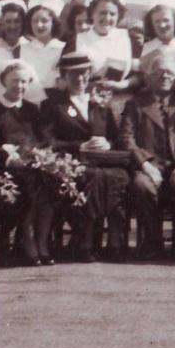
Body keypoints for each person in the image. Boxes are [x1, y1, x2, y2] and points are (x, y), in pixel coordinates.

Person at [39, 51, 130, 262]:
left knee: (120, 176)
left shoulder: (100, 103)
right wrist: (80, 146)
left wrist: (107, 143)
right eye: (74, 75)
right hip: (73, 163)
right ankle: (86, 240)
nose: (80, 79)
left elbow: (117, 138)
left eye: (84, 73)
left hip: (103, 161)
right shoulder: (53, 105)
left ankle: (113, 241)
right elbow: (47, 141)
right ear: (63, 77)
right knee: (94, 178)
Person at [119, 56, 175, 260]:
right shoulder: (135, 104)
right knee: (140, 186)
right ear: (148, 77)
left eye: (170, 72)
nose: (165, 76)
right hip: (149, 167)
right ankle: (153, 241)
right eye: (159, 72)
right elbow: (126, 139)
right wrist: (145, 165)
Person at [0, 61, 50, 265]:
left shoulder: (32, 109)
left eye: (24, 81)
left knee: (49, 183)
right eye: (15, 81)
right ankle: (25, 240)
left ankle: (40, 242)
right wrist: (9, 158)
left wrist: (35, 153)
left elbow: (43, 138)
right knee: (25, 186)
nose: (19, 86)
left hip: (30, 163)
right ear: (3, 81)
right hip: (2, 165)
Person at [65, 0, 136, 93]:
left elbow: (139, 76)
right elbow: (64, 79)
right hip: (86, 99)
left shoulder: (126, 37)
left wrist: (121, 85)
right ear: (92, 14)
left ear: (119, 16)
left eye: (112, 14)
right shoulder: (78, 40)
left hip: (120, 100)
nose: (107, 18)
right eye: (102, 13)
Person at [16, 0, 67, 104]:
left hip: (56, 104)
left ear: (53, 22)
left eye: (44, 21)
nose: (39, 25)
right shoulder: (21, 49)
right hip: (28, 104)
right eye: (35, 21)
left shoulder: (64, 49)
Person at [139, 0, 175, 71]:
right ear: (151, 24)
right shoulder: (146, 48)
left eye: (166, 20)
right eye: (157, 21)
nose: (162, 25)